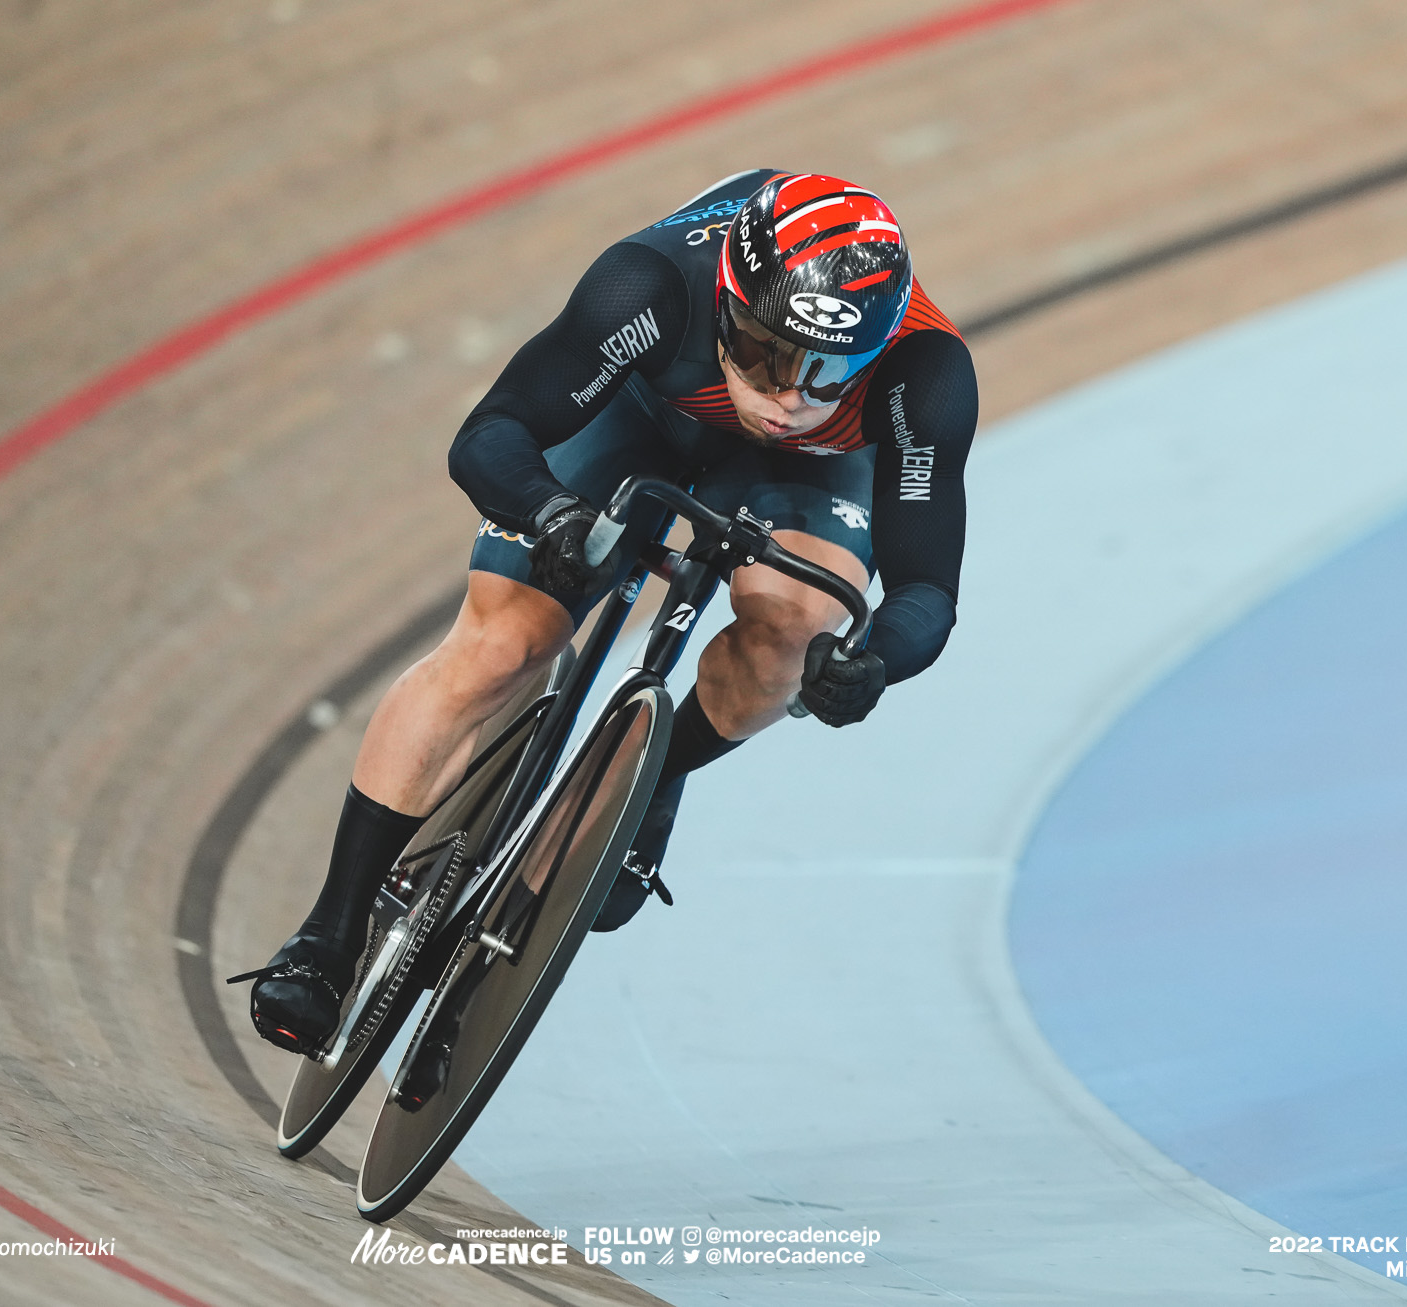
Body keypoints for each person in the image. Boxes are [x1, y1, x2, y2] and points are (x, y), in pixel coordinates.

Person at [242, 169, 977, 1053]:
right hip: (646, 409)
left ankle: (652, 772)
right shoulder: (654, 284)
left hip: (806, 475)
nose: (790, 399)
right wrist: (551, 513)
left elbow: (927, 587)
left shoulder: (925, 373)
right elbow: (492, 431)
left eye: (829, 375)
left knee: (796, 628)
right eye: (771, 355)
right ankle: (329, 932)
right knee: (502, 645)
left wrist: (876, 662)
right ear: (729, 303)